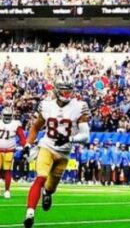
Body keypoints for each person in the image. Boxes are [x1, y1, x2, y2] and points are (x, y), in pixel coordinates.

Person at [23, 75, 91, 228]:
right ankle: (30, 213)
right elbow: (35, 127)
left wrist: (70, 140)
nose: (67, 94)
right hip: (47, 146)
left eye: (69, 91)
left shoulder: (80, 106)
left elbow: (86, 136)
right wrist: (28, 144)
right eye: (64, 91)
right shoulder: (46, 105)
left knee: (51, 187)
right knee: (40, 177)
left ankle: (47, 194)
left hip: (64, 153)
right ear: (56, 90)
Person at [0, 107, 26, 199]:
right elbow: (22, 138)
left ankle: (7, 190)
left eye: (8, 116)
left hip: (9, 151)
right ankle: (6, 190)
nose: (7, 117)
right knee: (5, 171)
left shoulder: (16, 124)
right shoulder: (15, 124)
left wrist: (25, 146)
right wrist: (24, 145)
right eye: (6, 116)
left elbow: (22, 137)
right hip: (4, 150)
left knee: (7, 170)